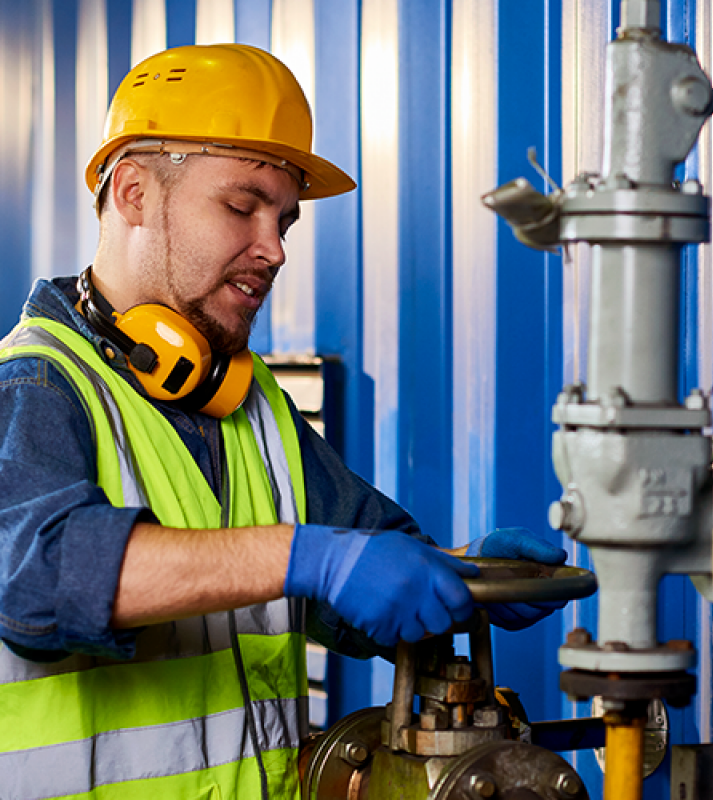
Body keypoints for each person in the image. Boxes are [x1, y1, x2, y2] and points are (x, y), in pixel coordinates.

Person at [0, 44, 567, 800]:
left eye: (285, 221)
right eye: (242, 206)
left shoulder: (249, 402)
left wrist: (469, 573)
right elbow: (36, 577)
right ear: (133, 191)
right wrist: (310, 559)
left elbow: (363, 567)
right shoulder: (36, 383)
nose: (272, 249)